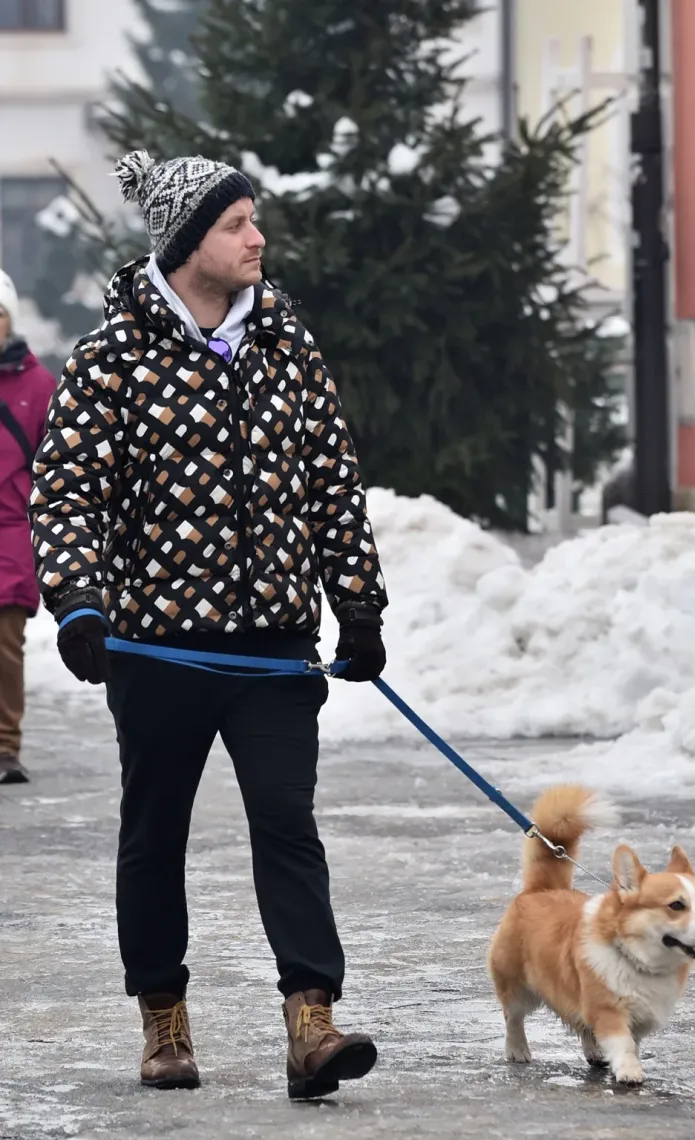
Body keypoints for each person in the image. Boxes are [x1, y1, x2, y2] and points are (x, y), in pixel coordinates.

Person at [29, 151, 388, 1099]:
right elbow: (65, 495)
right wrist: (80, 605)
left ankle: (311, 1018)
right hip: (159, 648)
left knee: (287, 823)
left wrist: (356, 604)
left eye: (254, 222)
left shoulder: (285, 345)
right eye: (236, 225)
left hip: (272, 646)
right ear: (189, 242)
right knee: (155, 831)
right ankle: (163, 1020)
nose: (257, 238)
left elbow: (329, 483)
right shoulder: (113, 359)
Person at [0, 270, 56, 784]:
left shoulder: (38, 386)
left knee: (4, 643)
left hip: (11, 534)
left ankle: (5, 745)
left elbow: (59, 468)